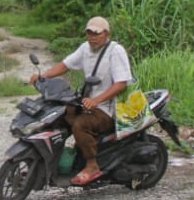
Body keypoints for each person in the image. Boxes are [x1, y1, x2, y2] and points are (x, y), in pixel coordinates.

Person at [30, 15, 131, 186]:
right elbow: (65, 65)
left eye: (96, 33)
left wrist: (97, 100)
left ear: (107, 34)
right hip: (86, 103)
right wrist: (42, 76)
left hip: (106, 108)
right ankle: (56, 158)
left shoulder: (115, 51)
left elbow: (121, 84)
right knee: (58, 115)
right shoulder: (86, 48)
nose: (92, 37)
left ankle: (92, 165)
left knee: (80, 125)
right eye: (89, 33)